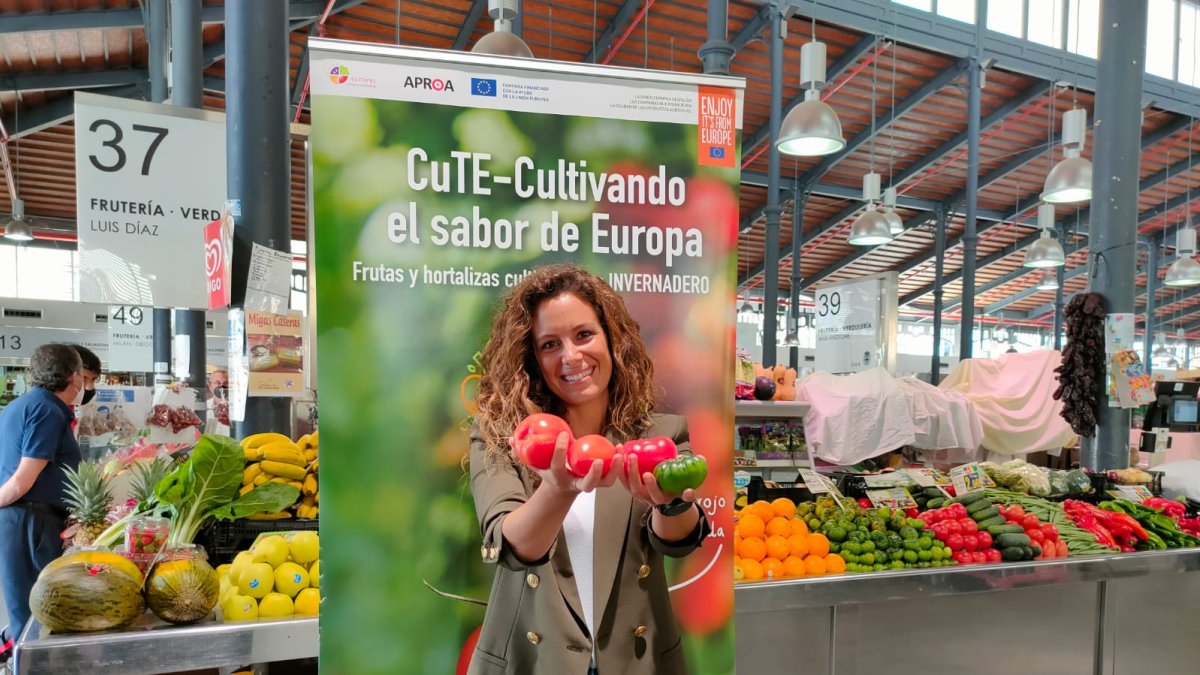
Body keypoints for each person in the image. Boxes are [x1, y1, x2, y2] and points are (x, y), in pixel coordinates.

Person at [469, 263, 709, 675]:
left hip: (638, 660)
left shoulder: (662, 435)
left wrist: (669, 505)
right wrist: (558, 489)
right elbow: (509, 546)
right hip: (534, 662)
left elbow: (681, 542)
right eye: (549, 344)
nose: (571, 356)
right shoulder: (505, 436)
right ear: (532, 358)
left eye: (584, 335)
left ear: (611, 338)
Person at [0, 344, 86, 659]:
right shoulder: (47, 410)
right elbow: (23, 479)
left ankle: (18, 657)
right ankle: (30, 664)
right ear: (74, 377)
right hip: (30, 521)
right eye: (83, 379)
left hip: (24, 520)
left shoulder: (21, 405)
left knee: (24, 605)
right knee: (37, 611)